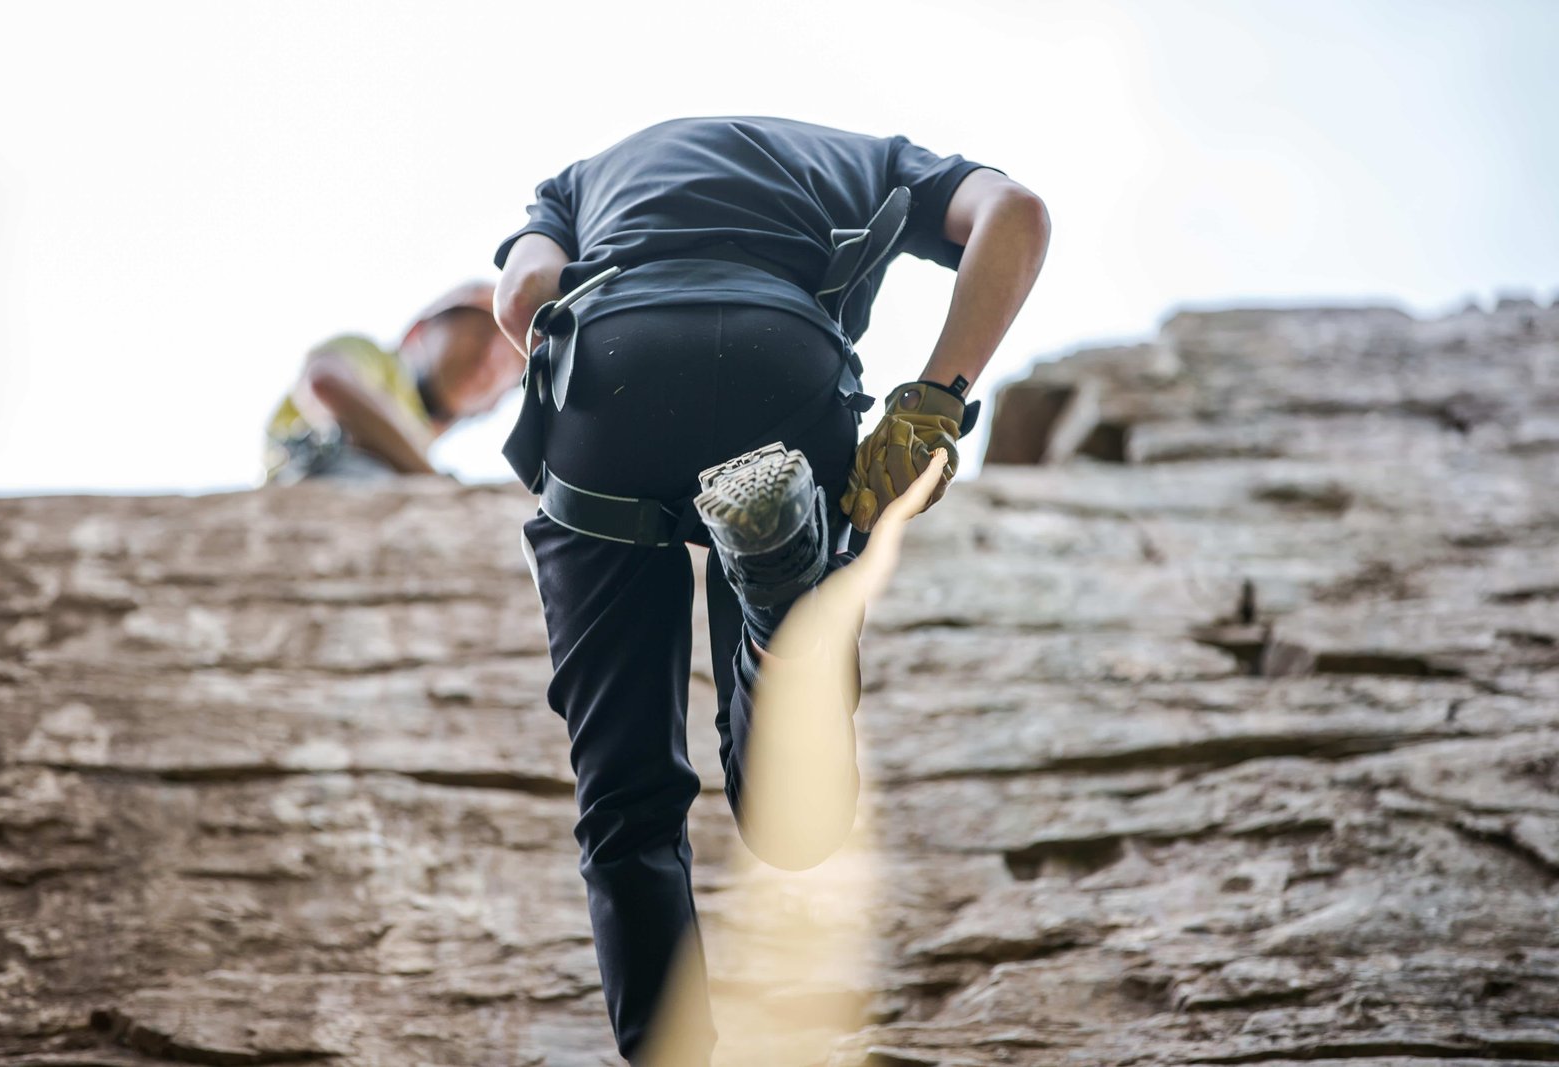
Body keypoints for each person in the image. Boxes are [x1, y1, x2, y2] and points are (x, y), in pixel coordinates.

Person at [493, 117, 1050, 1064]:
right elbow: (1017, 213)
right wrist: (935, 398)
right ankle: (774, 613)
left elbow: (523, 296)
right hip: (782, 364)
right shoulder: (871, 160)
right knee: (795, 823)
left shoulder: (579, 181)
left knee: (624, 798)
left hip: (610, 372)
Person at [262, 281, 526, 483]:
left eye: (508, 359)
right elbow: (325, 383)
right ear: (419, 332)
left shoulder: (420, 458)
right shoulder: (373, 358)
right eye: (478, 334)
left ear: (495, 403)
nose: (488, 358)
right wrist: (432, 479)